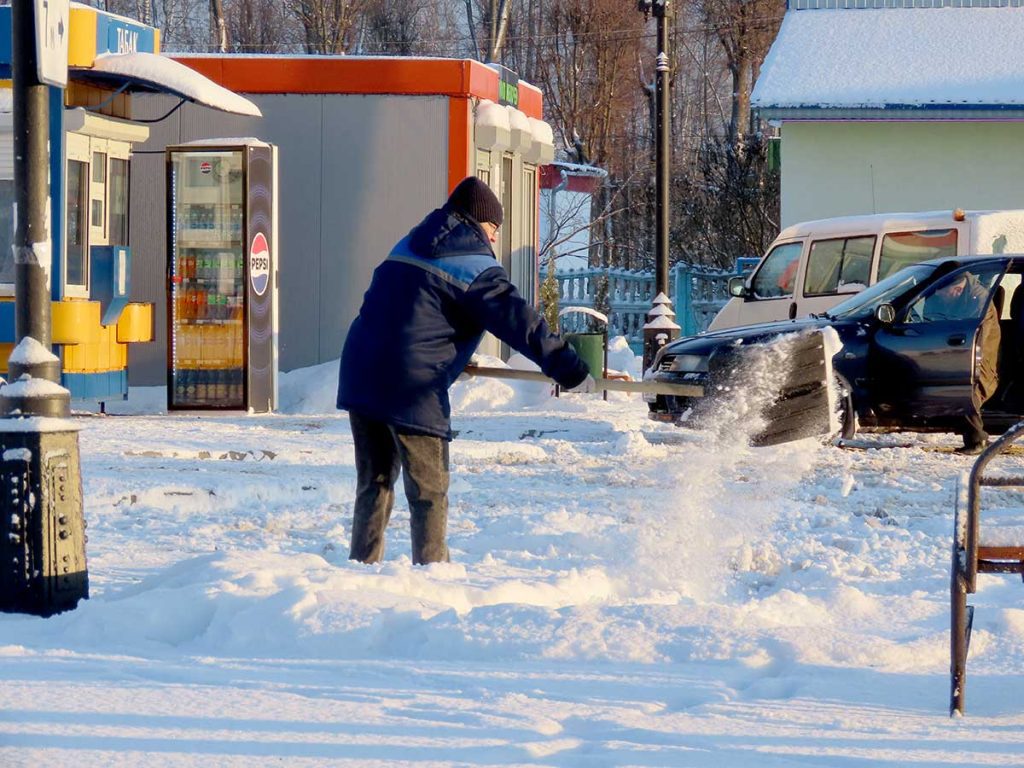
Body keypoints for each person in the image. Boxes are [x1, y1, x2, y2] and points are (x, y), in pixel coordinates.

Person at [336, 177, 595, 564]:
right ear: (477, 222)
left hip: (361, 370)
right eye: (493, 227)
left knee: (375, 481)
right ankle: (432, 573)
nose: (494, 238)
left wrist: (453, 356)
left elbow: (412, 314)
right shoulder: (473, 263)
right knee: (429, 490)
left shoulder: (408, 244)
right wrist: (570, 369)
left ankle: (360, 567)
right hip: (413, 386)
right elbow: (521, 324)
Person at [924, 272, 1000, 454]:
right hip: (956, 351)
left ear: (957, 290)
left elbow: (975, 338)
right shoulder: (946, 295)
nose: (940, 297)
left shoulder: (979, 300)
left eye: (944, 294)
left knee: (966, 390)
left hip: (979, 359)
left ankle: (977, 440)